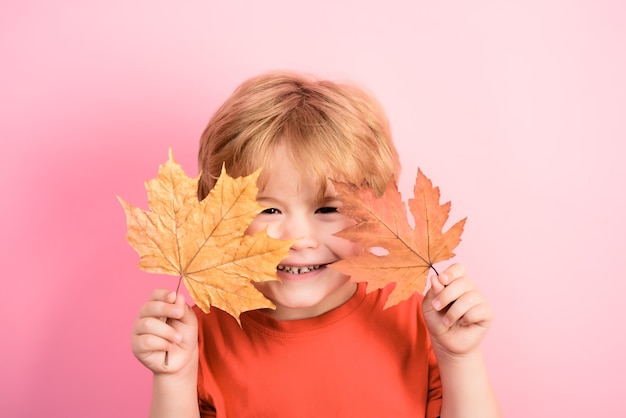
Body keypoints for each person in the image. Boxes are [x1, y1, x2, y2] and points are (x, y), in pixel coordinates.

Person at [131, 71, 501, 418]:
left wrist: (460, 358)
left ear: (376, 214)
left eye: (327, 209)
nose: (299, 239)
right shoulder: (199, 338)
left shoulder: (417, 321)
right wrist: (174, 378)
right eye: (270, 209)